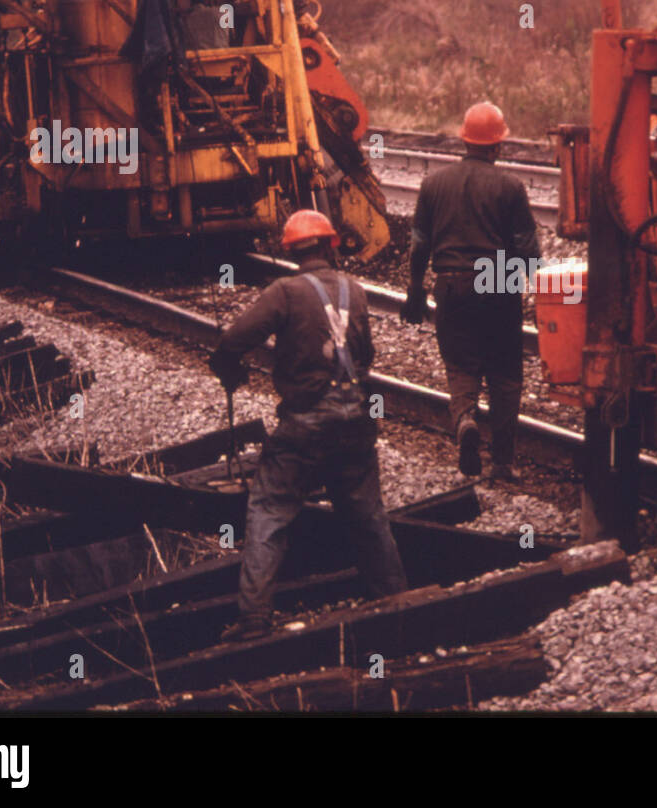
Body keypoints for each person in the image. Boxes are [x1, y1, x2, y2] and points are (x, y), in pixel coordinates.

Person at [208, 210, 407, 642]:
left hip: (304, 426)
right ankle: (394, 600)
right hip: (356, 419)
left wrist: (227, 367)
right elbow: (365, 355)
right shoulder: (355, 289)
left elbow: (234, 339)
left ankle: (255, 619)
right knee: (368, 514)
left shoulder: (283, 292)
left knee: (269, 510)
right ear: (332, 245)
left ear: (290, 251)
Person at [401, 102, 540, 482]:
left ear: (465, 140)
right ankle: (502, 463)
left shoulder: (433, 184)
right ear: (497, 146)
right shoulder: (511, 187)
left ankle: (464, 420)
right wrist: (522, 292)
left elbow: (419, 244)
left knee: (461, 365)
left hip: (451, 282)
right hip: (497, 280)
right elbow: (528, 251)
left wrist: (415, 289)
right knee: (505, 373)